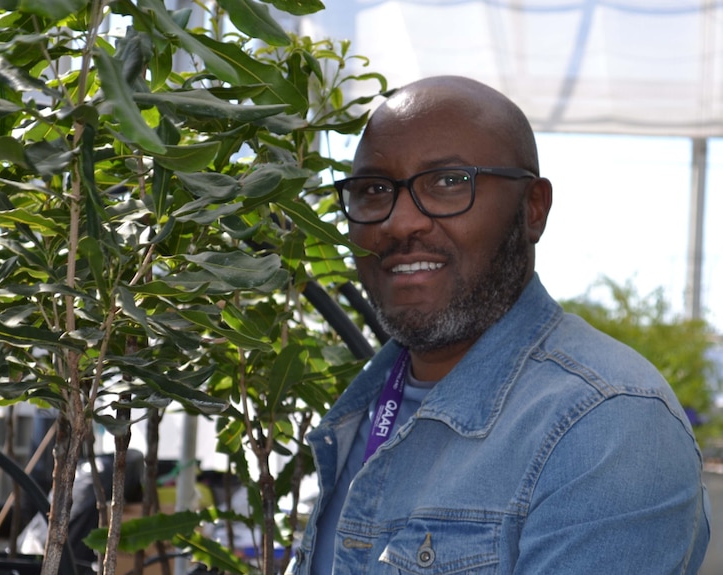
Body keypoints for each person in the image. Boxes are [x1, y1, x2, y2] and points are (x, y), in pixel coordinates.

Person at [290, 76, 710, 574]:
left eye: (448, 182)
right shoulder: (366, 403)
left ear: (533, 209)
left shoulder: (607, 427)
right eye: (375, 189)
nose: (400, 223)